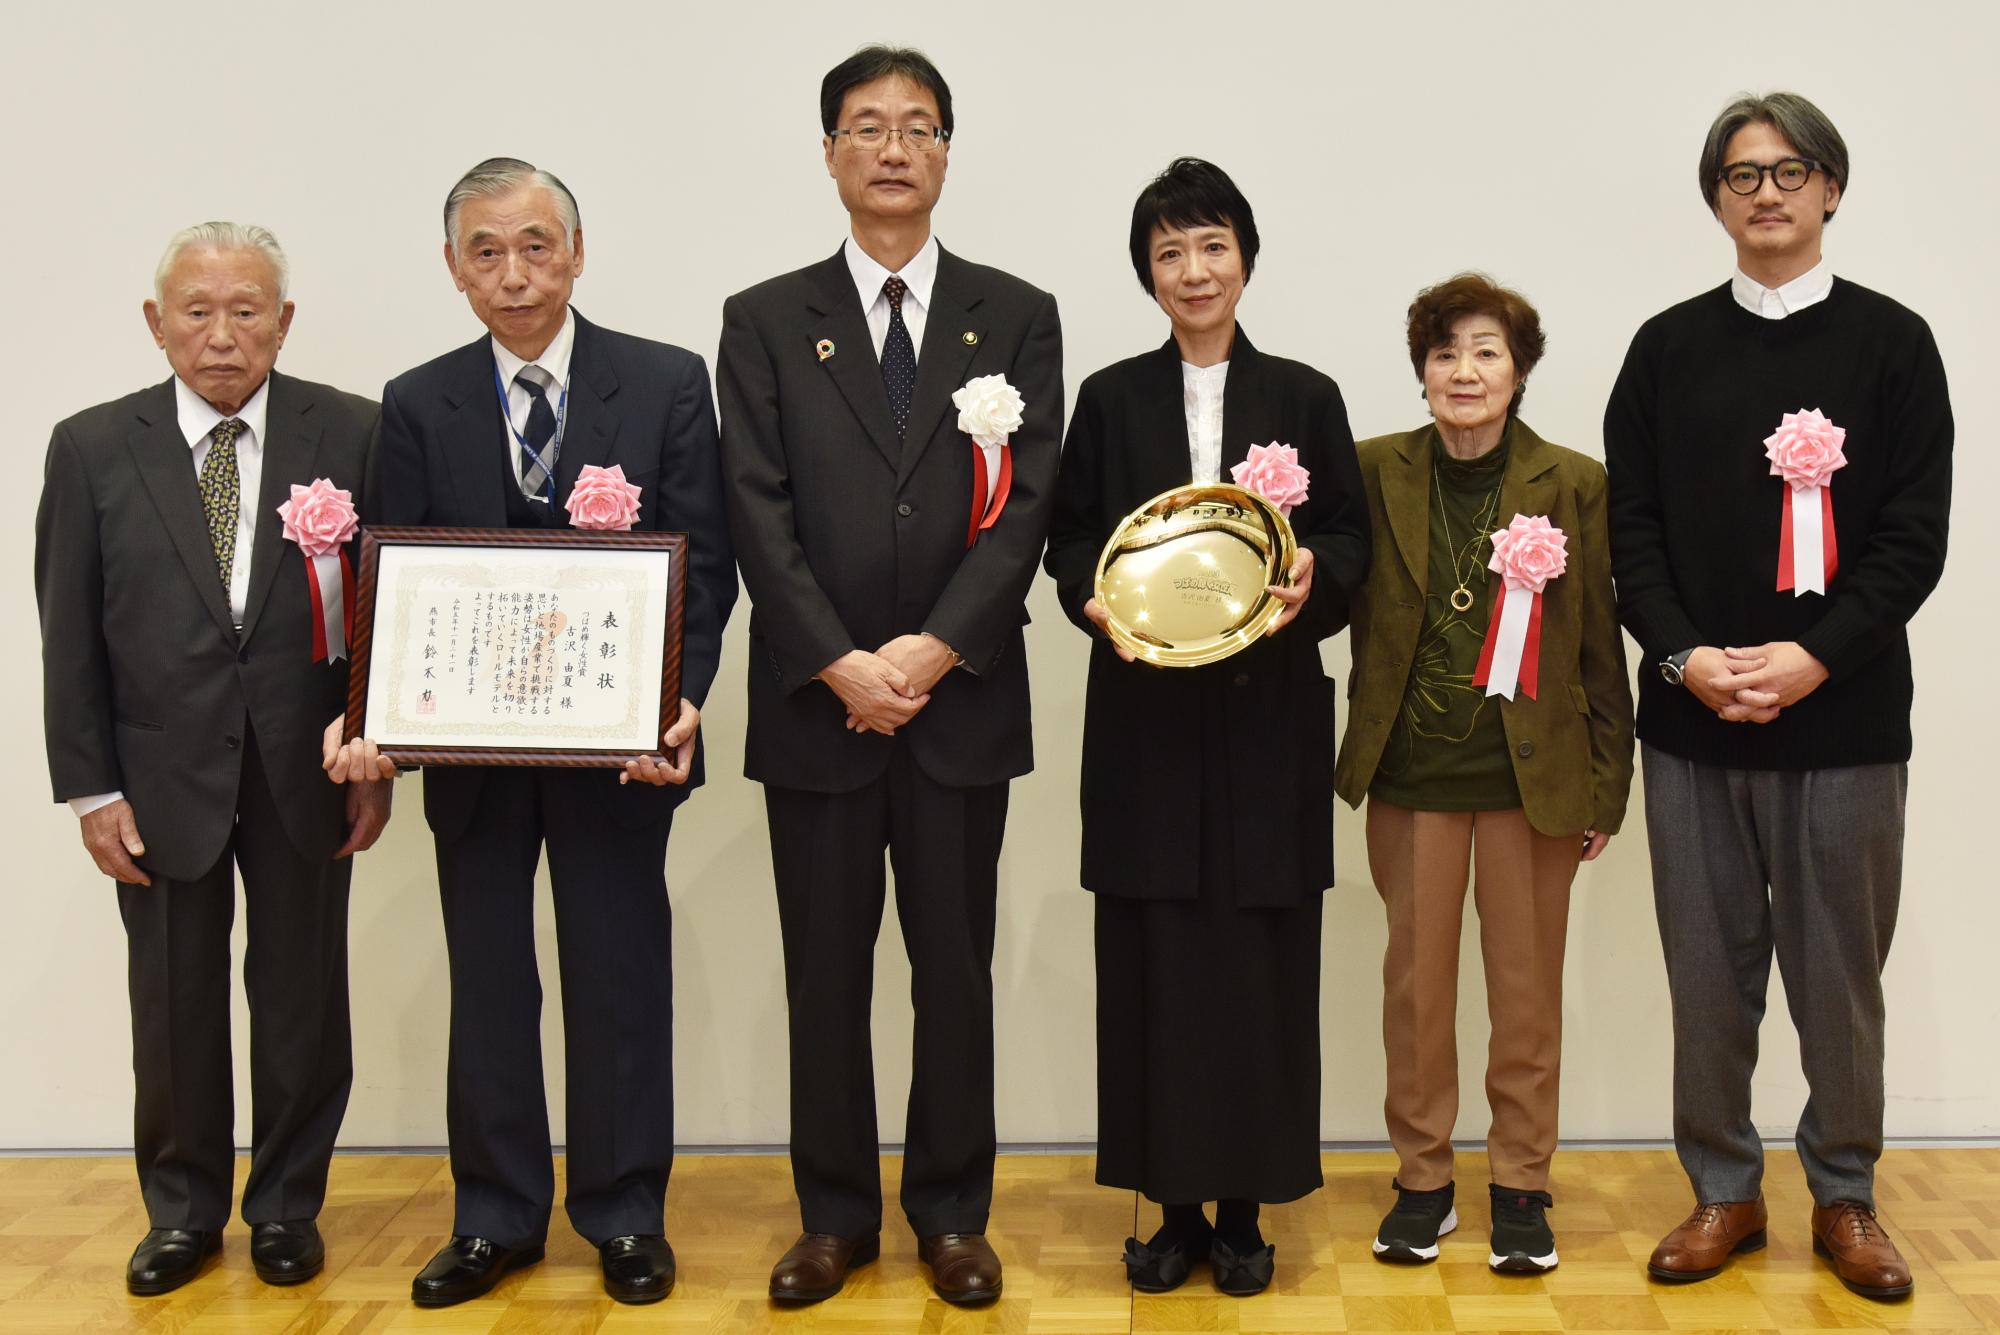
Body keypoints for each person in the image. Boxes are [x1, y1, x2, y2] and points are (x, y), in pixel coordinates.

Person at [334, 157, 736, 1307]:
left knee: (619, 973)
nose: (513, 275)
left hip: (621, 749)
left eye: (534, 247)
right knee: (491, 981)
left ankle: (622, 1212)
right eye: (484, 252)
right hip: (472, 759)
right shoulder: (417, 401)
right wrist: (377, 720)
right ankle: (495, 1215)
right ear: (454, 268)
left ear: (574, 252)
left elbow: (700, 566)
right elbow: (390, 583)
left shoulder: (661, 384)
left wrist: (685, 695)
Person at [716, 45, 1062, 1307]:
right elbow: (754, 508)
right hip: (820, 709)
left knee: (952, 971)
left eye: (918, 126)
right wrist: (837, 661)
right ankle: (832, 1218)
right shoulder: (763, 320)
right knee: (825, 974)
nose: (893, 148)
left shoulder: (1014, 313)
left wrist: (929, 649)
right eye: (867, 127)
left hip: (956, 700)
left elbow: (1024, 503)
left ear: (945, 152)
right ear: (829, 154)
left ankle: (953, 1214)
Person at [1605, 92, 1950, 1300]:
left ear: (1830, 190)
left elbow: (1911, 538)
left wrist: (1813, 658)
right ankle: (1721, 1190)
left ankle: (1844, 1196)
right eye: (1740, 175)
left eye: (1789, 171)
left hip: (1845, 720)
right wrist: (1685, 658)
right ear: (1714, 199)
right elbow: (1629, 537)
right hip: (1691, 721)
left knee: (1838, 977)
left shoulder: (1893, 343)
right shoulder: (1661, 348)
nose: (1765, 192)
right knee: (1706, 973)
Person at [35, 222, 389, 1296]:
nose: (222, 336)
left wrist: (379, 752)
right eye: (198, 311)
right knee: (175, 1008)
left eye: (247, 312)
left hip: (308, 776)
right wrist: (91, 789)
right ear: (157, 323)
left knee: (301, 1005)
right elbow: (68, 628)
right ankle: (182, 1212)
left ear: (284, 322)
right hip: (157, 784)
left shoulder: (356, 432)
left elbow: (391, 609)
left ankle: (286, 1206)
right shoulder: (93, 445)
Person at [1043, 158, 1370, 1297]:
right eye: (1169, 252)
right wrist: (1093, 603)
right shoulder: (1109, 397)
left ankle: (1243, 1212)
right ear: (1146, 271)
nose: (1193, 270)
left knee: (1258, 967)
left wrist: (1314, 573)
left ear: (1245, 257)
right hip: (1143, 726)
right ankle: (1167, 1209)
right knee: (1153, 966)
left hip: (1264, 724)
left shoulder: (1308, 394)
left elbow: (1350, 542)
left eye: (1211, 246)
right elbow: (1070, 540)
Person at [1335, 274, 1633, 1273]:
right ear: (1420, 372)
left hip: (1530, 789)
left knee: (1523, 993)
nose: (1463, 371)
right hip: (1411, 778)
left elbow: (1598, 650)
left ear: (1517, 372)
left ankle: (1519, 1181)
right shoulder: (1371, 470)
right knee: (1413, 994)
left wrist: (1605, 784)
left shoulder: (1572, 482)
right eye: (1444, 353)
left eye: (1485, 353)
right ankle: (1421, 1180)